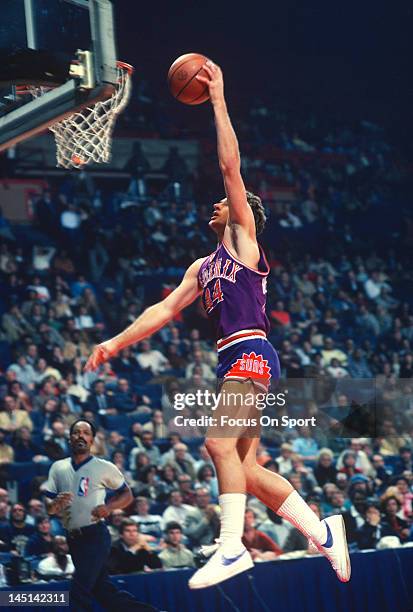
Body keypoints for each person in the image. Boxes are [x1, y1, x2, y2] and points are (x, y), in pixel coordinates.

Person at [85, 61, 350, 589]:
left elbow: (230, 168)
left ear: (238, 212)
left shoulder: (243, 243)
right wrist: (114, 342)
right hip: (234, 358)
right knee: (246, 471)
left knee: (216, 444)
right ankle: (322, 530)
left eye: (223, 203)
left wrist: (218, 98)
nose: (214, 206)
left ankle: (233, 547)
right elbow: (162, 311)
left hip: (252, 351)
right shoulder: (202, 267)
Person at [41, 418, 158, 612]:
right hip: (73, 538)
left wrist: (109, 507)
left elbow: (127, 494)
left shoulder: (104, 466)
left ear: (92, 440)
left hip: (95, 534)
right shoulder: (58, 467)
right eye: (77, 432)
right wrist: (54, 504)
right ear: (69, 438)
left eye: (86, 433)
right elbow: (49, 506)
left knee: (79, 590)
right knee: (102, 591)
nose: (81, 436)